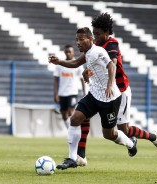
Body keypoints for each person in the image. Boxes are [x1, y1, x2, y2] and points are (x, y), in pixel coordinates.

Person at [71, 13, 157, 166]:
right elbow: (84, 61)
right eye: (93, 34)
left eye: (98, 34)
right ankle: (81, 155)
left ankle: (153, 137)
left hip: (119, 91)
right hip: (101, 92)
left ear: (107, 33)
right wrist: (86, 71)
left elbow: (112, 63)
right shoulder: (95, 47)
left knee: (125, 130)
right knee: (83, 116)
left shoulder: (112, 44)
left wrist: (108, 82)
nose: (95, 37)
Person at [49, 27, 137, 170]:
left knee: (109, 134)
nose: (78, 42)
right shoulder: (88, 53)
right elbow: (75, 63)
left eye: (81, 39)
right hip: (94, 95)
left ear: (90, 39)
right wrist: (59, 62)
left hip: (110, 99)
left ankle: (130, 144)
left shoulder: (98, 52)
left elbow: (111, 67)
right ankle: (72, 158)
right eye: (77, 39)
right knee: (75, 119)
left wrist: (109, 85)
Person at [53, 45, 86, 128]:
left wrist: (84, 92)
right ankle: (70, 129)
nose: (68, 53)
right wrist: (55, 93)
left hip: (72, 92)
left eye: (69, 52)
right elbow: (56, 80)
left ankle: (73, 129)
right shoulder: (60, 65)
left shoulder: (77, 64)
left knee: (71, 112)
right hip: (62, 93)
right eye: (66, 52)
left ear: (73, 52)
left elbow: (82, 79)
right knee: (64, 114)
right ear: (64, 52)